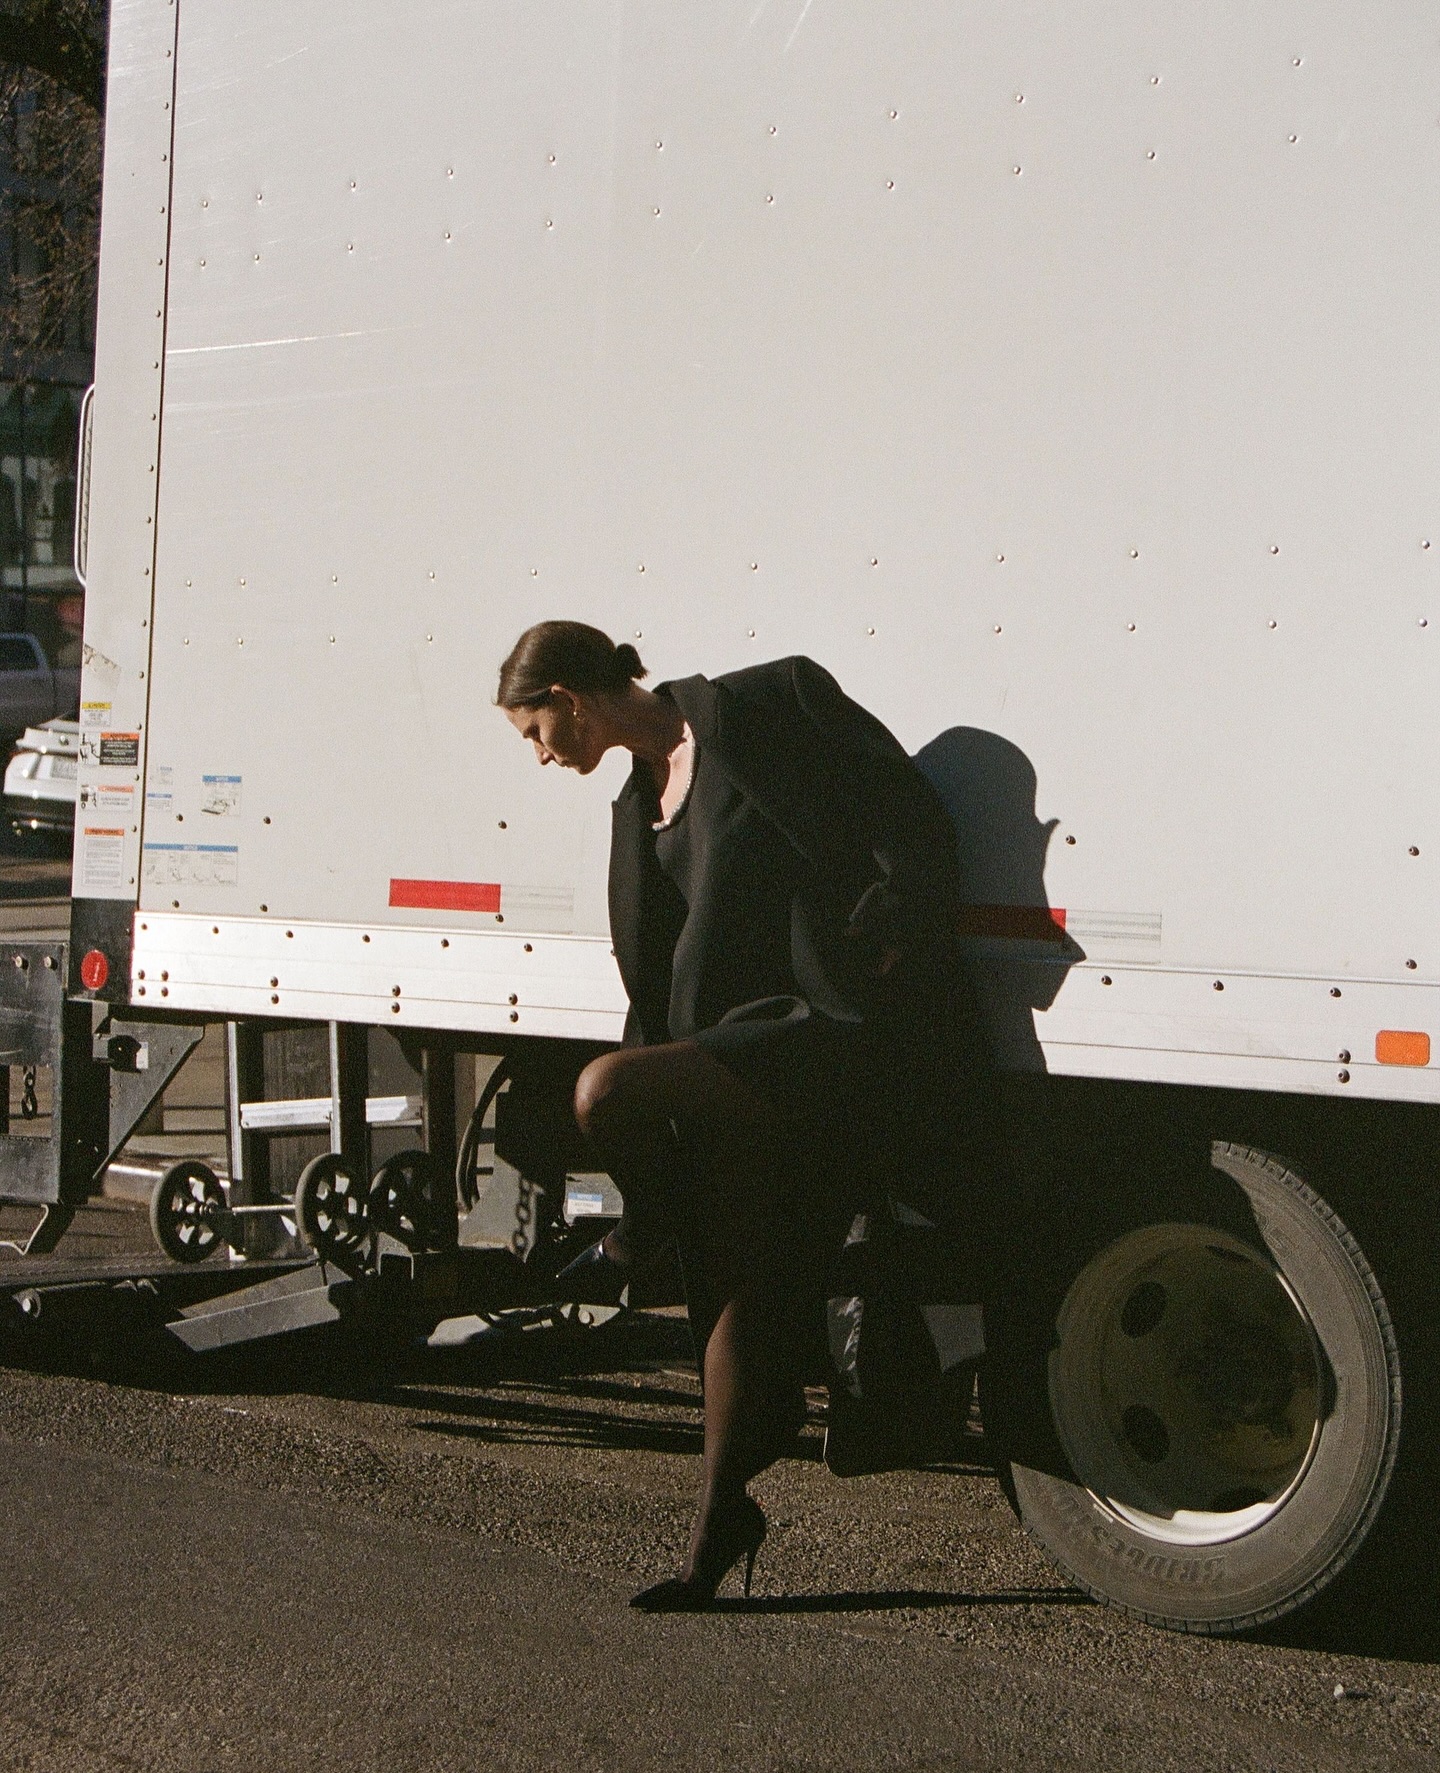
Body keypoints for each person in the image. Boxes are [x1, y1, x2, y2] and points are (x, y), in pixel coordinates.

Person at [496, 621, 994, 1610]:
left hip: (821, 1029)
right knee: (736, 1290)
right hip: (732, 1061)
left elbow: (902, 809)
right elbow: (654, 969)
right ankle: (719, 1527)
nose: (543, 755)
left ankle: (640, 1229)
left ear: (571, 692)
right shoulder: (639, 803)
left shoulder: (767, 705)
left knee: (604, 1091)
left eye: (536, 730)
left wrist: (891, 927)